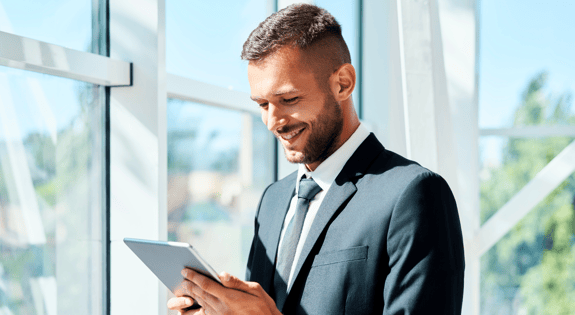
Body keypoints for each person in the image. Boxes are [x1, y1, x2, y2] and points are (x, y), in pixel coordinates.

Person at [168, 4, 464, 314]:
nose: (273, 122)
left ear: (342, 83)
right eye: (263, 104)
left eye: (289, 100)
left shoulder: (413, 194)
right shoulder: (273, 200)